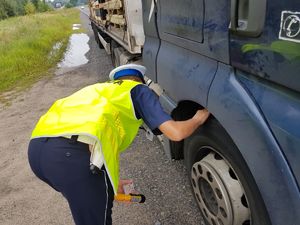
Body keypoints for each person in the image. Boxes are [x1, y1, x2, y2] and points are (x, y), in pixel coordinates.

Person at [28, 64, 210, 225]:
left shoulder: (99, 92)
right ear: (139, 80)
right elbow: (175, 133)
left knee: (92, 208)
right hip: (70, 158)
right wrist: (198, 118)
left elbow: (102, 143)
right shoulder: (138, 90)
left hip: (38, 151)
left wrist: (110, 183)